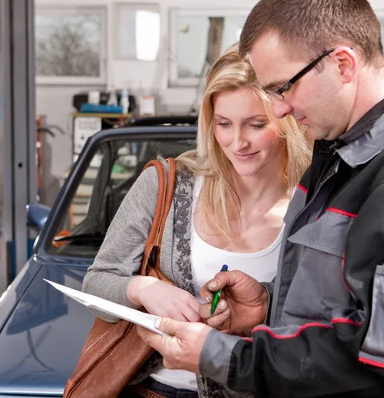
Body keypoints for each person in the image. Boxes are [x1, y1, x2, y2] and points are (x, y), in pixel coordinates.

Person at [136, 0, 384, 398]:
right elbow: (342, 304)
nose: (280, 108)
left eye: (283, 87)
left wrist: (223, 356)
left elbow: (383, 360)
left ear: (343, 64)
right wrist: (267, 305)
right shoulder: (338, 158)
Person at [81, 43, 311, 398]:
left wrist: (258, 314)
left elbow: (321, 325)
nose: (237, 142)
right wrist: (143, 289)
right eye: (223, 124)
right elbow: (96, 285)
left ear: (286, 119)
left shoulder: (313, 203)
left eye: (256, 124)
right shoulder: (166, 186)